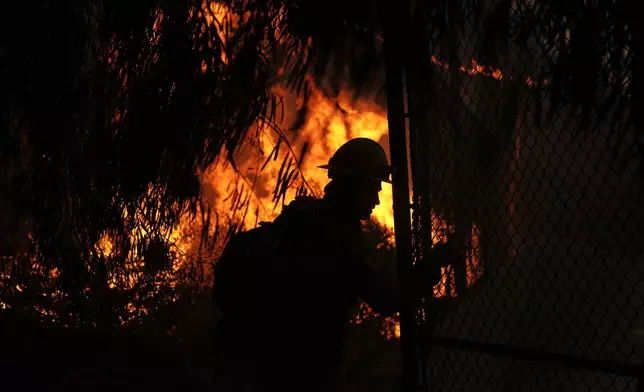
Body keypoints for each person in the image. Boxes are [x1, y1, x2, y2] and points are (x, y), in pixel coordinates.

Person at [211, 138, 456, 392]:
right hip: (304, 370)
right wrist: (433, 263)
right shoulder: (335, 239)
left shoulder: (304, 221)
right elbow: (387, 299)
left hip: (261, 364)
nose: (376, 201)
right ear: (354, 186)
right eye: (373, 190)